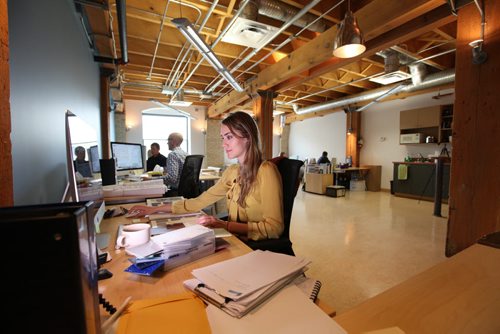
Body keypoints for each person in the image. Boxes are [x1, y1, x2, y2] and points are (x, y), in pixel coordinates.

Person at [126, 112, 284, 241]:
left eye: (229, 137)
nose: (223, 144)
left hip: (256, 248)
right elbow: (200, 201)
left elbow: (274, 228)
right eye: (223, 138)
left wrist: (224, 225)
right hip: (235, 239)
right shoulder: (232, 171)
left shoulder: (266, 171)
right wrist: (155, 209)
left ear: (248, 138)